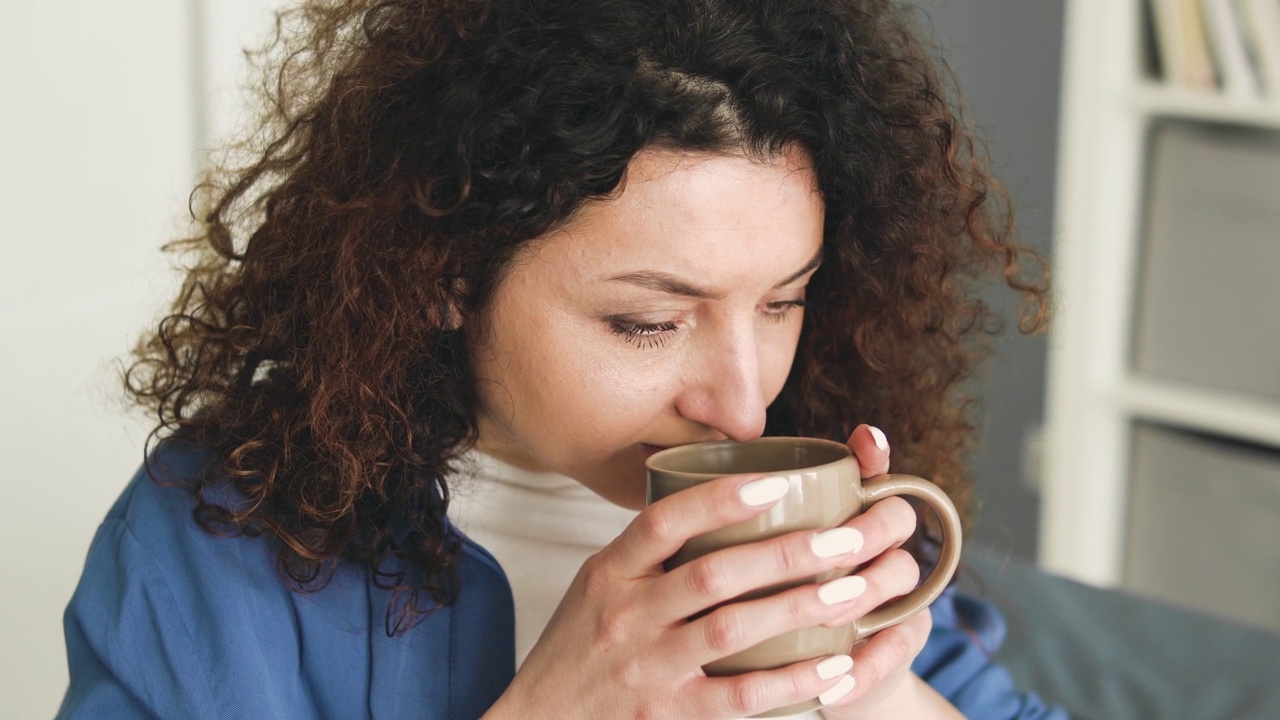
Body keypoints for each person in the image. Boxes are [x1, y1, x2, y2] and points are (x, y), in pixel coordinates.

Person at [58, 0, 1066, 717]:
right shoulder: (217, 537)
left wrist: (871, 682)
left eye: (781, 302)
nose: (744, 407)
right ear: (444, 272)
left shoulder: (797, 502)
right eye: (645, 324)